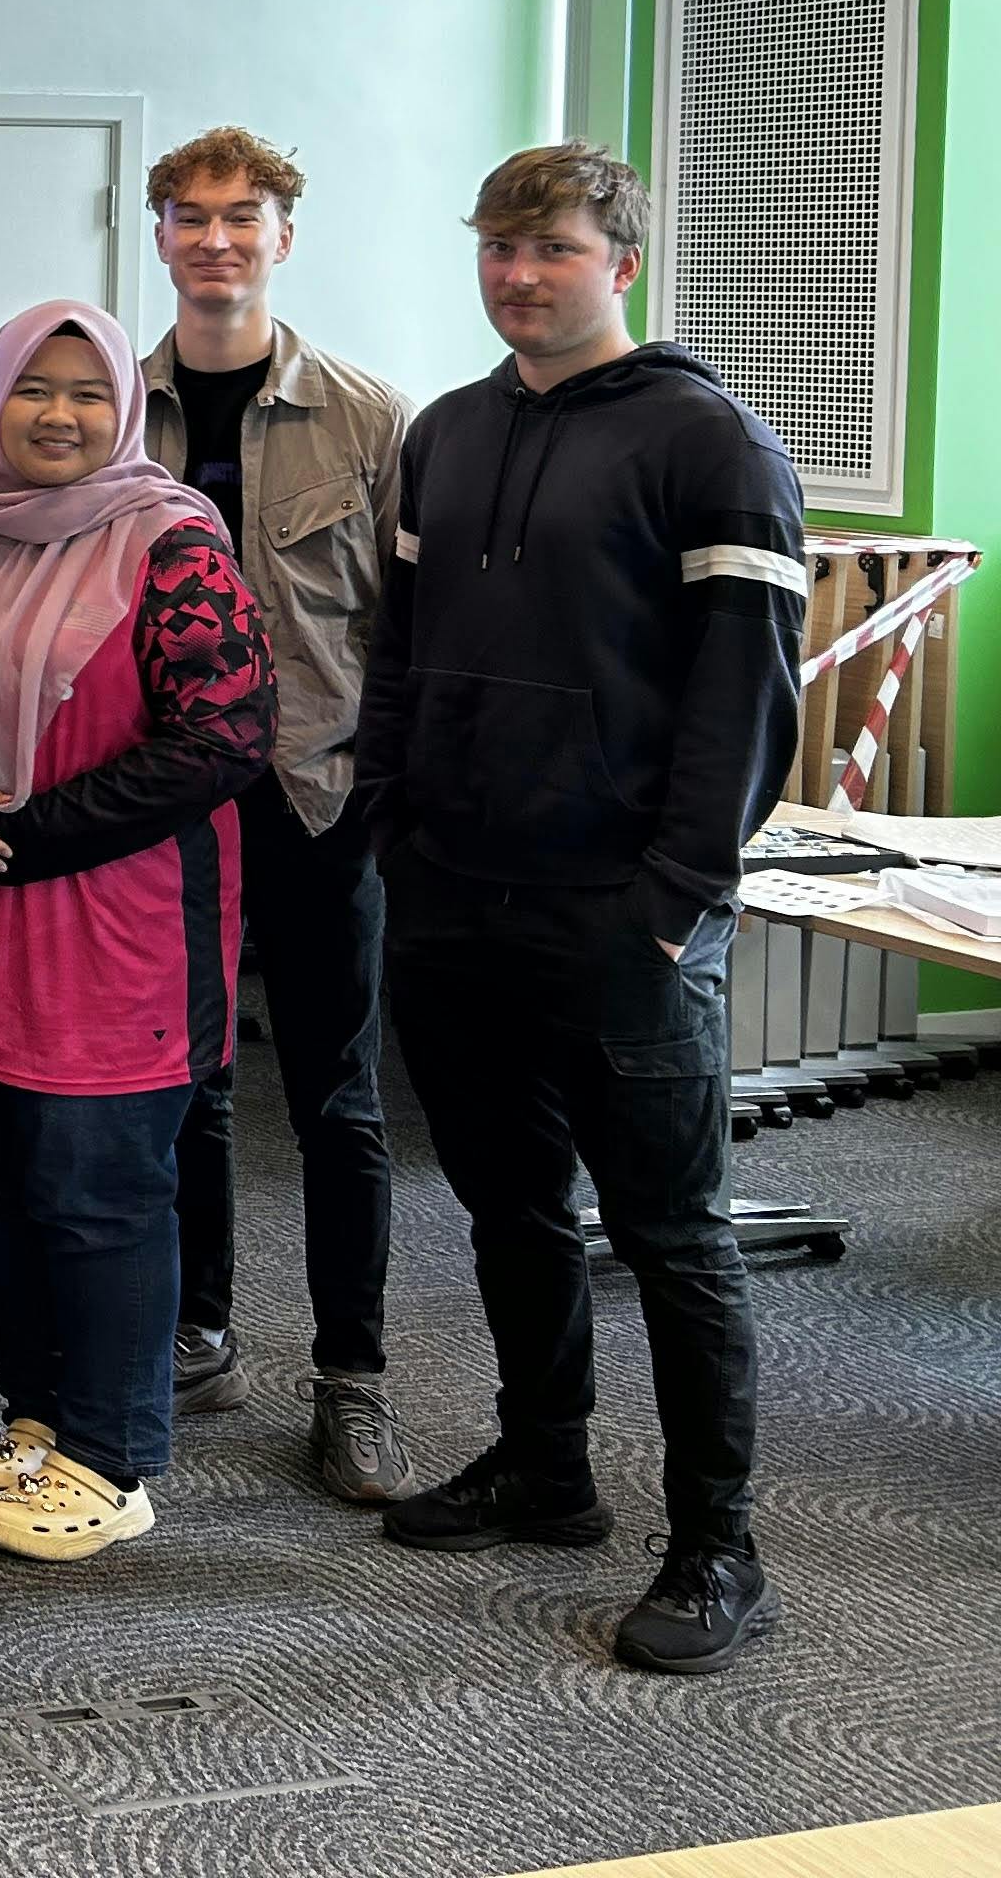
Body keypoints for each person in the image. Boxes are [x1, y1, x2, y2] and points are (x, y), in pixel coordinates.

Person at [358, 143, 805, 1676]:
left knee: (674, 1239)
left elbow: (741, 706)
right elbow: (404, 650)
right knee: (508, 1210)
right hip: (453, 900)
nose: (514, 273)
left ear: (619, 259)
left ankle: (715, 1546)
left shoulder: (710, 443)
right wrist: (395, 826)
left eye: (545, 246)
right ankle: (547, 1466)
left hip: (625, 920)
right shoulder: (449, 433)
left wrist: (673, 904)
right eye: (493, 245)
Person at [0, 303, 270, 1567]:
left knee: (97, 1193)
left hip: (117, 926)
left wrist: (36, 828)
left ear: (126, 410)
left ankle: (114, 1457)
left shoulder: (171, 547)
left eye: (88, 394)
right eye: (33, 392)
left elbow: (226, 739)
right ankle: (38, 1422)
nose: (60, 416)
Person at [135, 129, 414, 1503]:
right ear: (160, 236)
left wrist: (383, 798)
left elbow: (411, 633)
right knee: (186, 1088)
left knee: (337, 1102)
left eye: (240, 217)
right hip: (176, 810)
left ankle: (352, 1380)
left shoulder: (369, 420)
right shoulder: (118, 413)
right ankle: (199, 1330)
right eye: (188, 217)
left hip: (319, 804)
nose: (214, 240)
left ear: (283, 236)